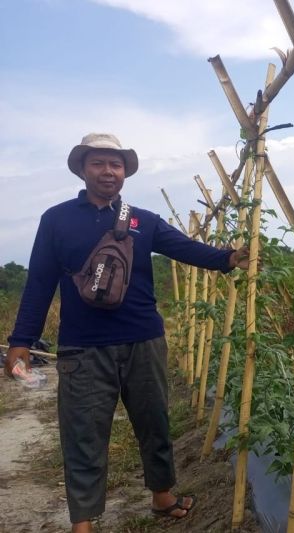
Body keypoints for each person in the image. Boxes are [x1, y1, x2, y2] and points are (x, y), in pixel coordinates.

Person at [3, 133, 249, 533]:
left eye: (115, 165)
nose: (107, 171)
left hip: (144, 340)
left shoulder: (142, 220)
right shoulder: (57, 219)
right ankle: (83, 521)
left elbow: (184, 248)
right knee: (82, 433)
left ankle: (163, 495)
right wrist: (21, 342)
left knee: (154, 421)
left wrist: (227, 258)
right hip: (82, 347)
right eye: (98, 163)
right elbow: (39, 283)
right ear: (82, 169)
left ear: (125, 173)